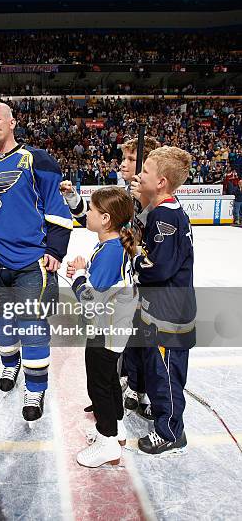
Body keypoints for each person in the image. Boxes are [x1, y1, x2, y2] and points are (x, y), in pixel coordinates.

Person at [0, 102, 72, 421]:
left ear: (13, 122)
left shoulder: (38, 160)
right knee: (1, 323)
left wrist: (55, 249)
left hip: (32, 260)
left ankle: (35, 388)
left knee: (33, 326)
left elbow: (57, 208)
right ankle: (11, 367)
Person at [66, 187, 138, 467]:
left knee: (99, 386)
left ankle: (108, 441)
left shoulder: (110, 252)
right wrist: (83, 276)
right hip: (114, 328)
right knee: (109, 381)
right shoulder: (113, 244)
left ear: (106, 218)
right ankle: (115, 429)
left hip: (105, 330)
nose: (88, 214)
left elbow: (90, 304)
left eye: (93, 211)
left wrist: (80, 276)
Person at [133, 146, 196, 455]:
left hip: (168, 312)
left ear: (161, 182)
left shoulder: (164, 216)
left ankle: (171, 431)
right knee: (158, 367)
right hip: (166, 308)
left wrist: (135, 258)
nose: (139, 175)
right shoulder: (164, 210)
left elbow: (158, 269)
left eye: (145, 170)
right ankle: (163, 415)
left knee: (165, 371)